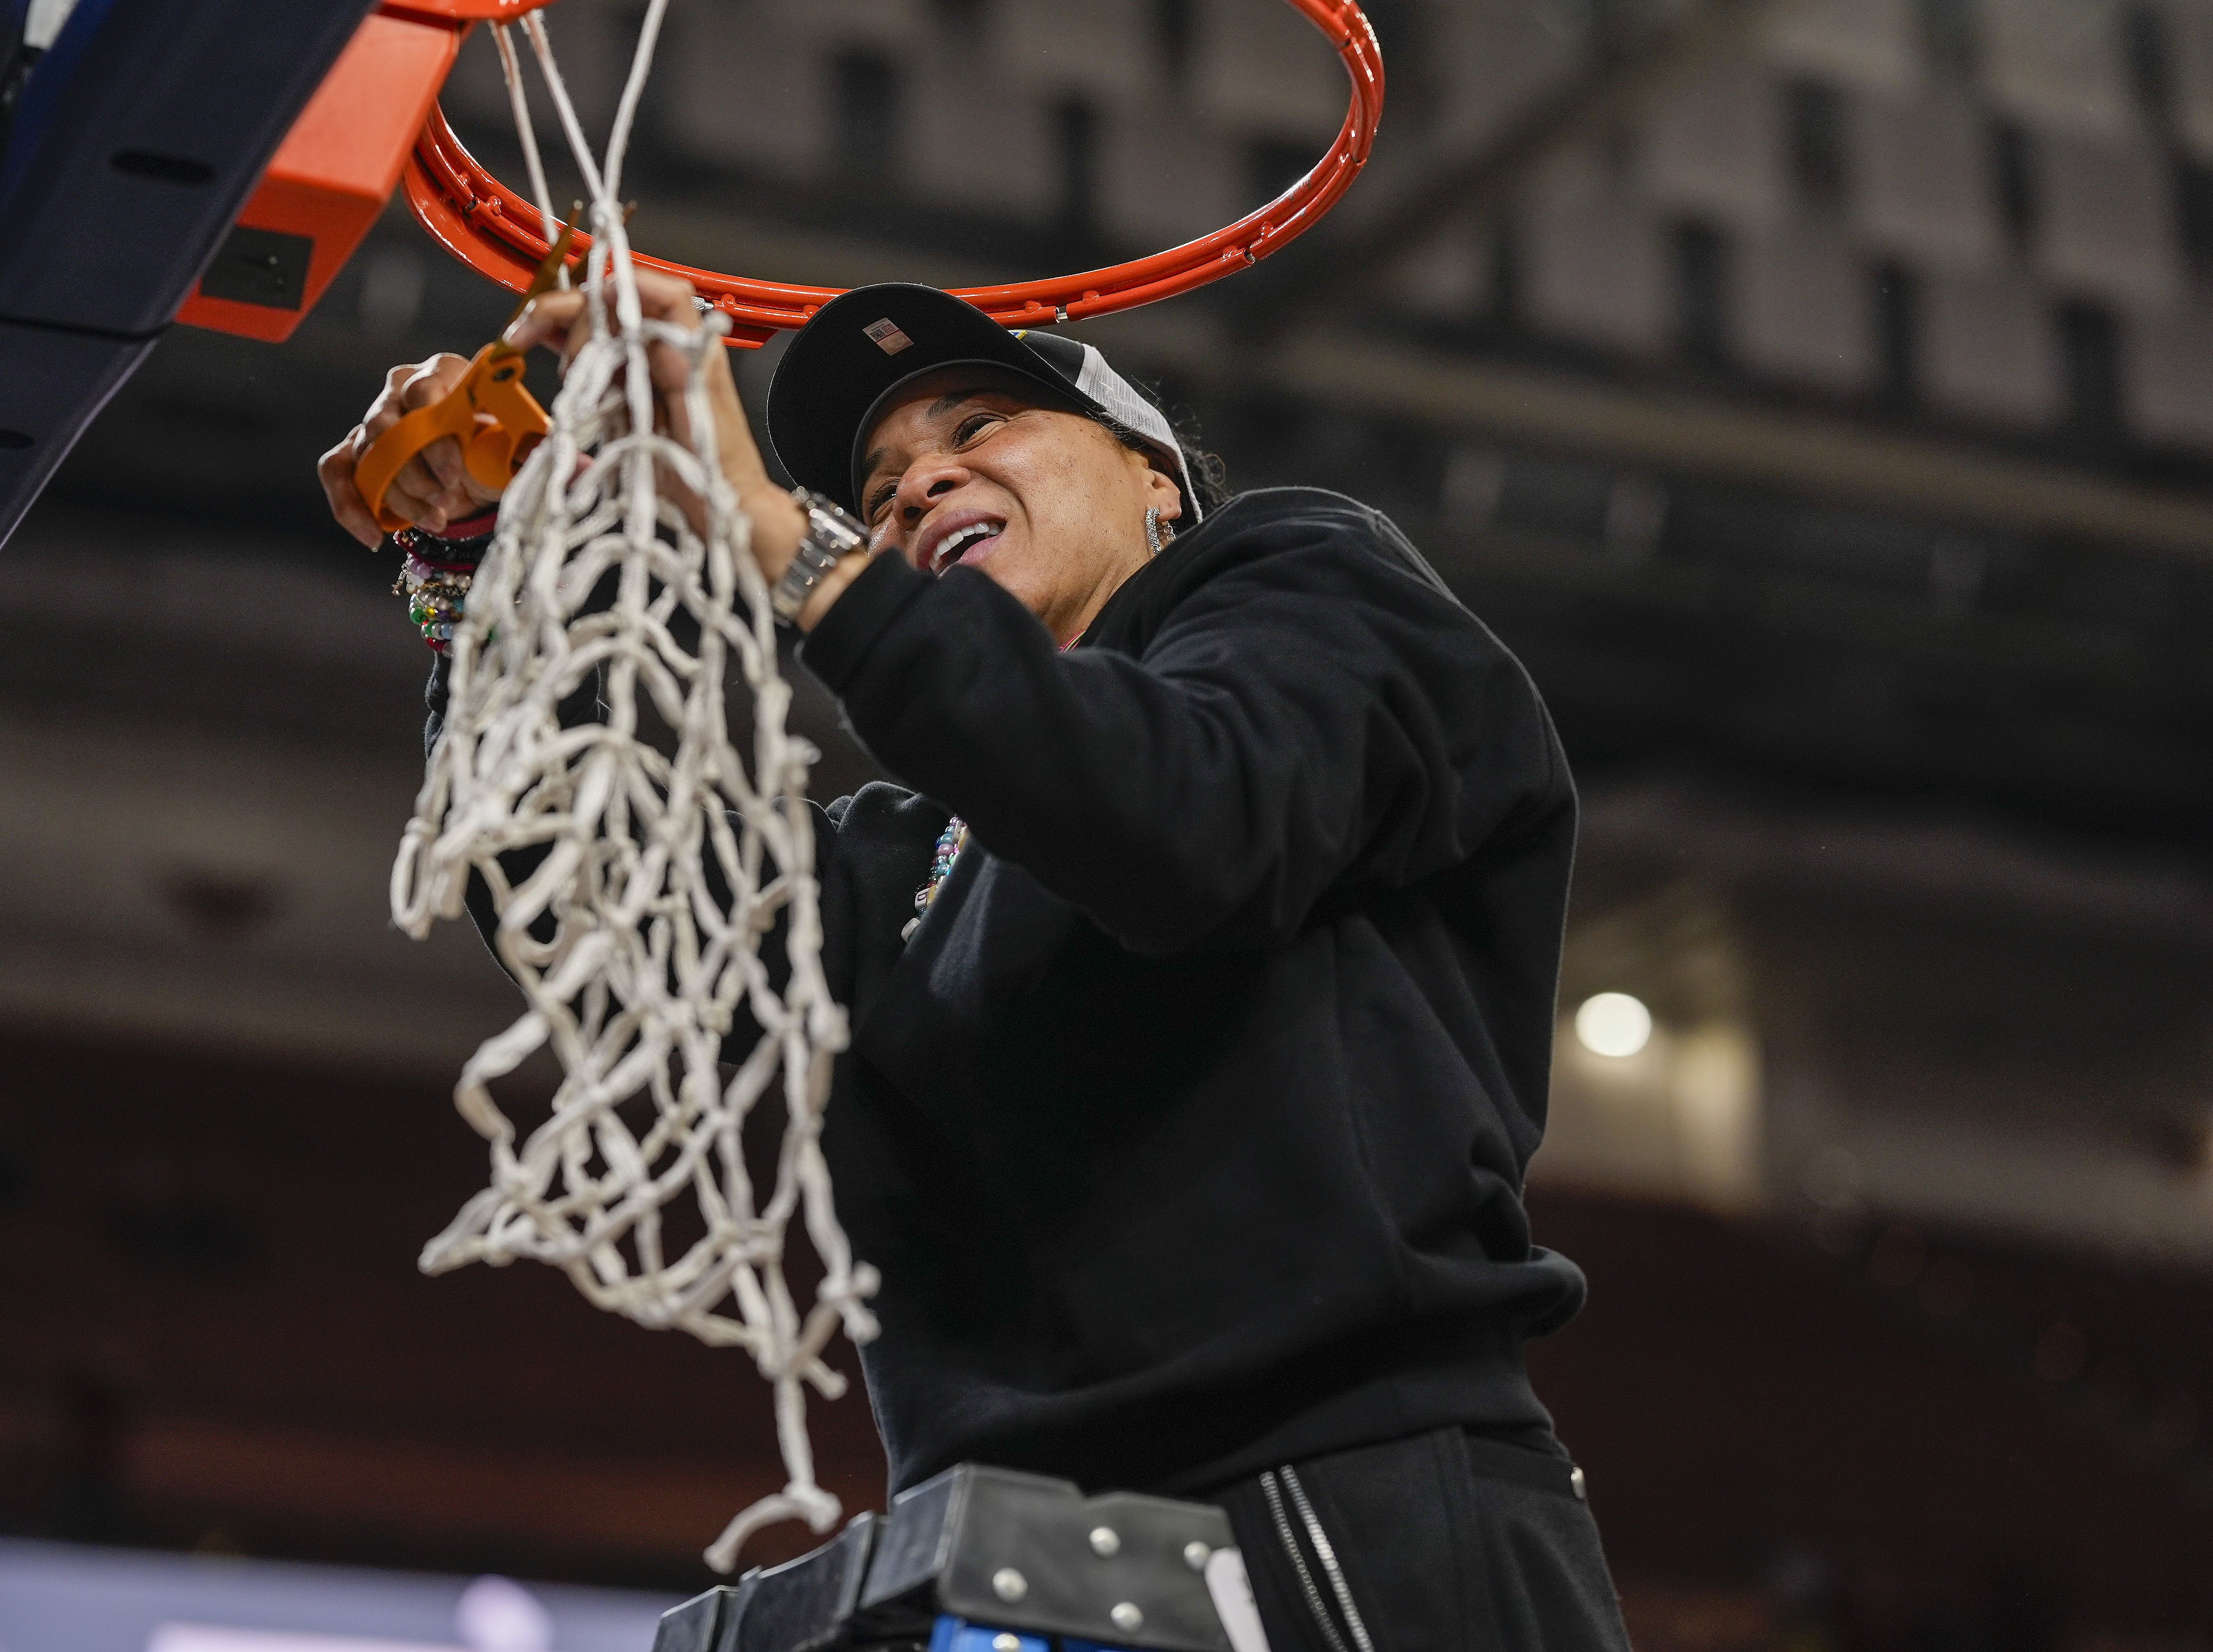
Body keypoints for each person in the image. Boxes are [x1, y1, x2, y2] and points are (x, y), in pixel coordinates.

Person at [318, 275, 1631, 1652]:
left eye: (985, 425)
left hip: (1348, 1517)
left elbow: (1187, 820)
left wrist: (785, 541)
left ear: (1158, 484)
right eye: (879, 488)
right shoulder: (909, 861)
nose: (920, 484)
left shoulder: (1317, 590)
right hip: (1045, 1566)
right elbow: (625, 929)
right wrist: (479, 569)